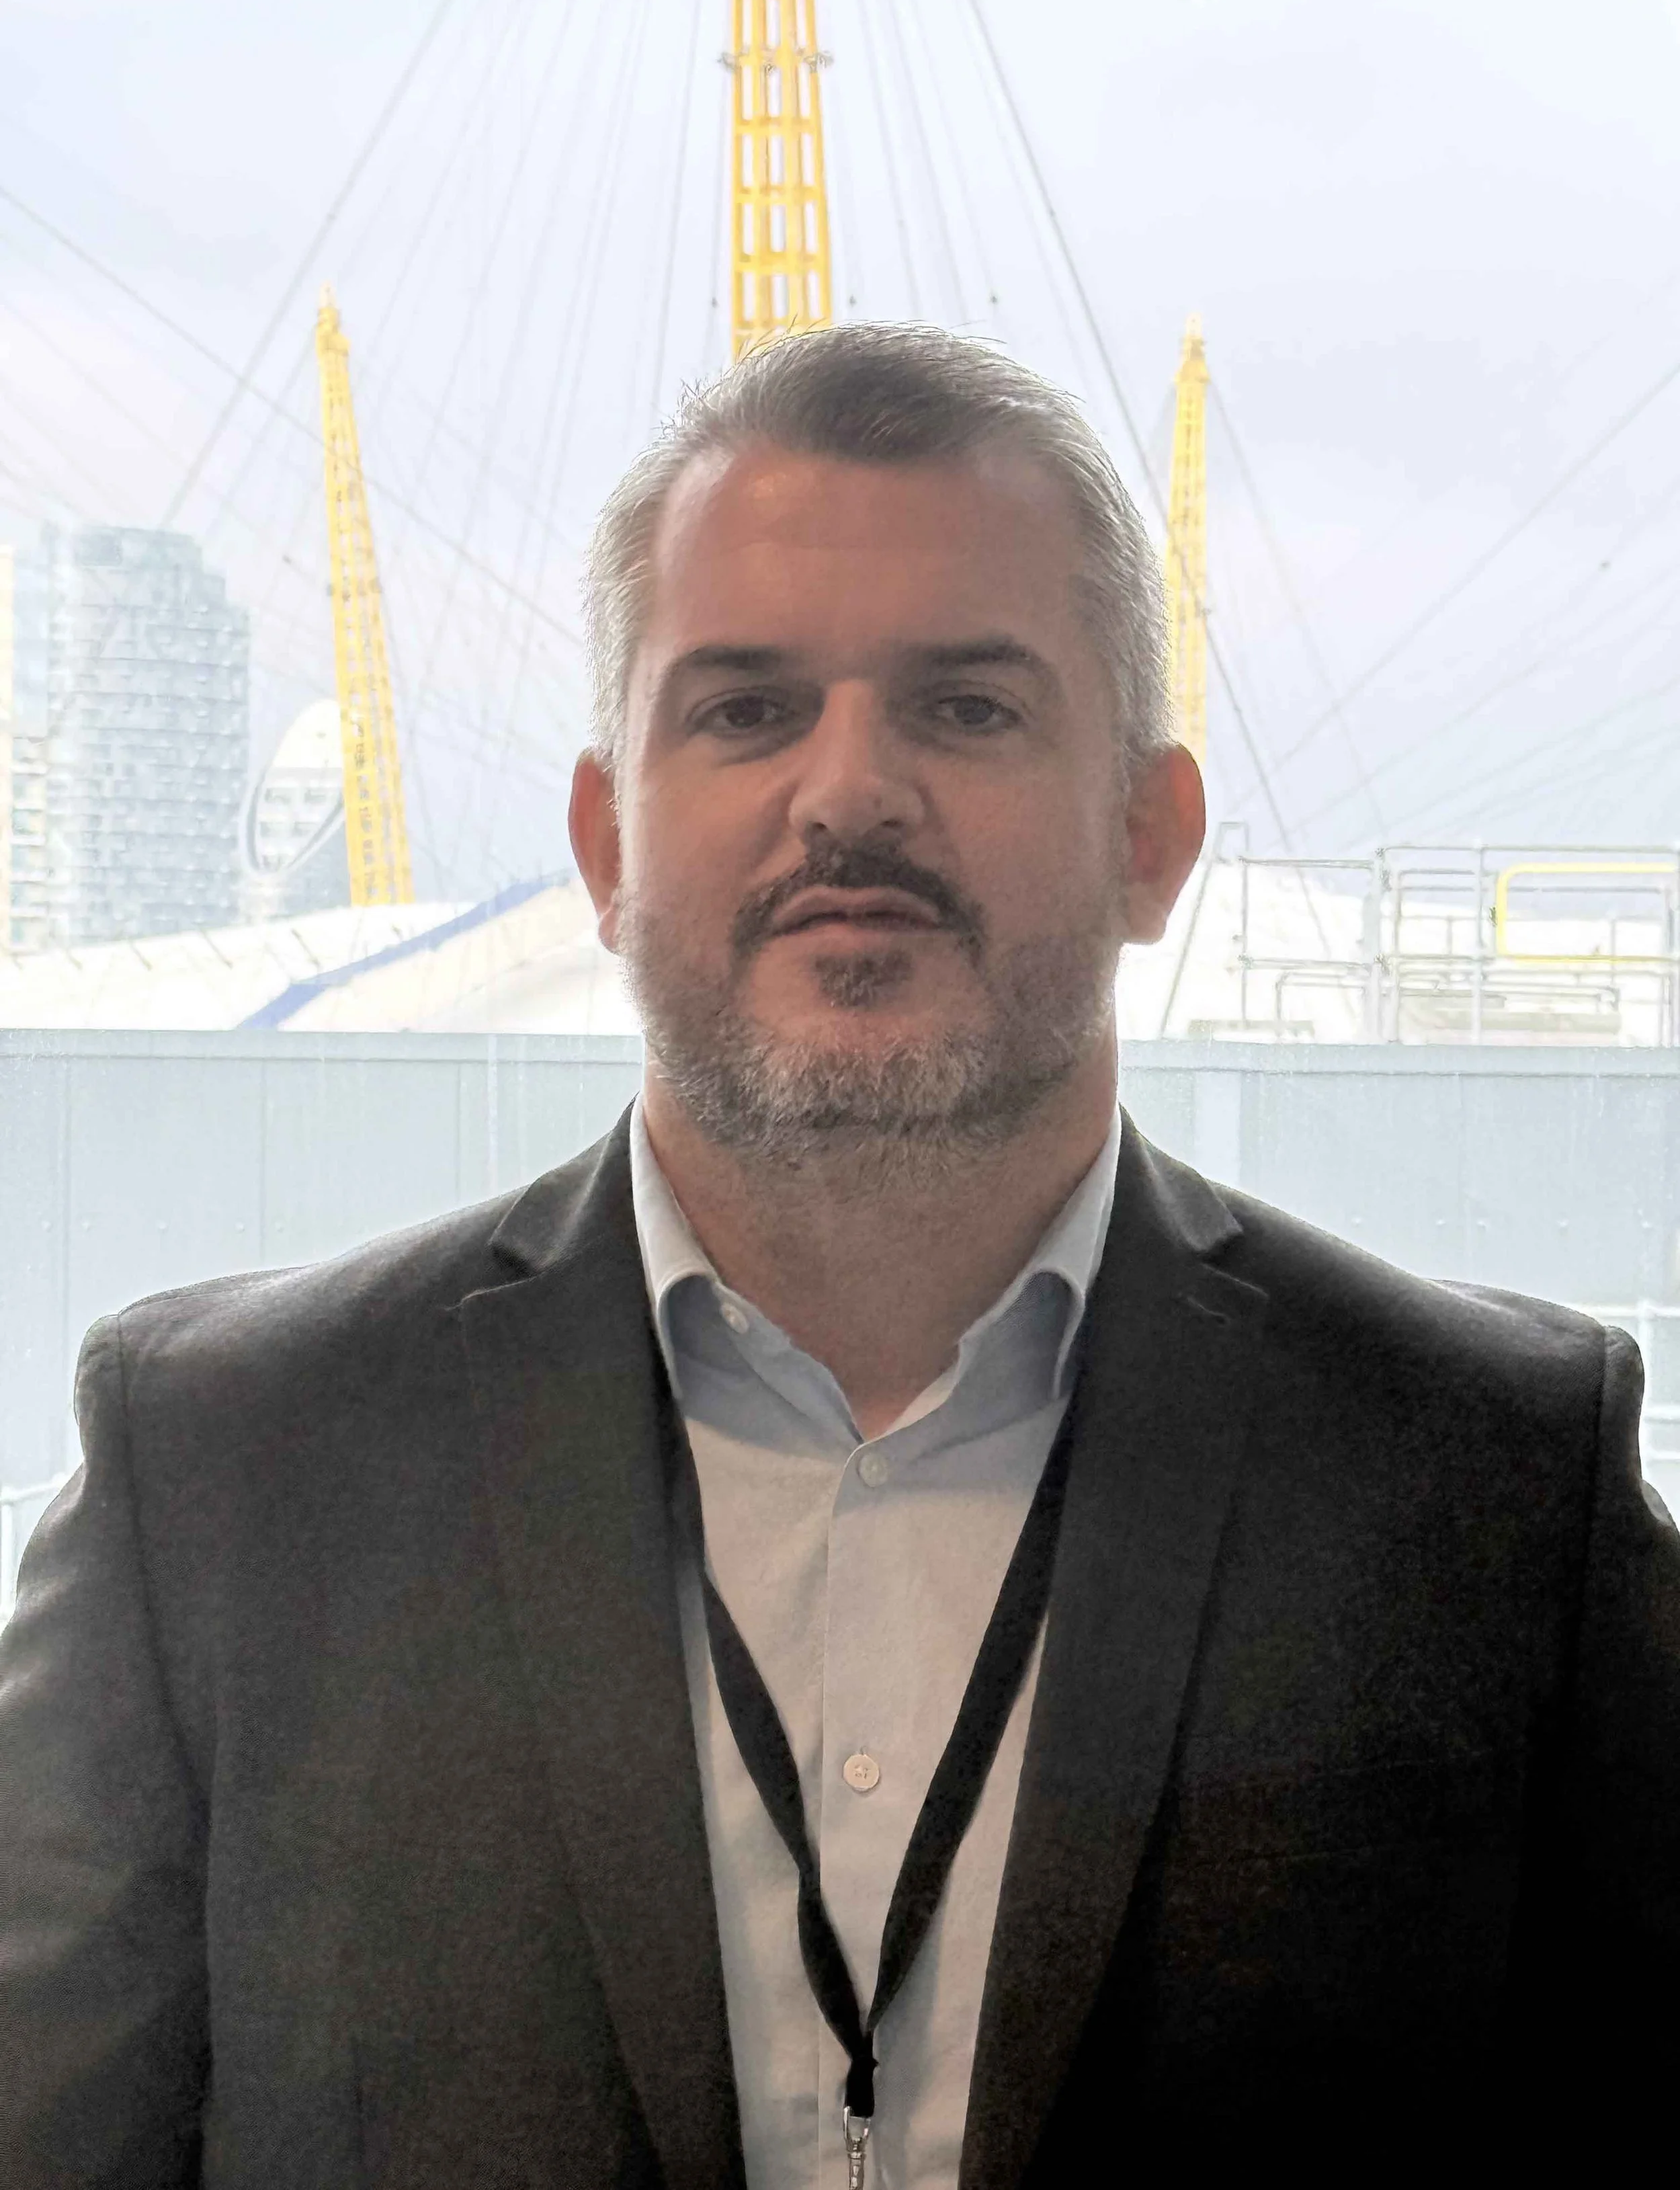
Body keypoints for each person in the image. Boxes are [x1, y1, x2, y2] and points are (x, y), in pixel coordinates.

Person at [1, 324, 1676, 2189]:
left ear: (1150, 832)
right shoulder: (229, 1477)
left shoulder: (1493, 1491)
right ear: (603, 840)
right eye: (741, 707)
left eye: (965, 706)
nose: (846, 794)